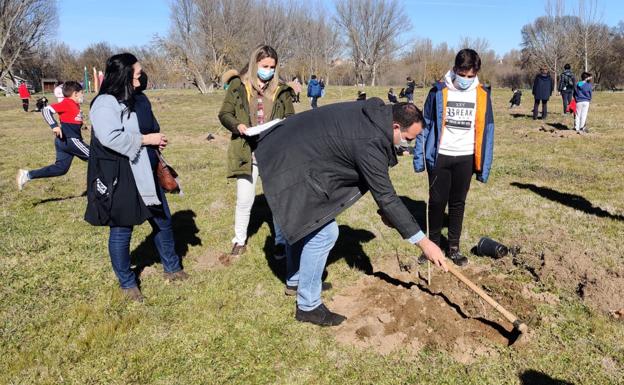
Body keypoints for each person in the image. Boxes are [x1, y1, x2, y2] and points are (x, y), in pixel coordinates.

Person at [255, 100, 448, 326]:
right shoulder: (370, 140)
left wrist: (388, 212)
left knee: (305, 222)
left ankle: (297, 281)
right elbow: (387, 196)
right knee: (323, 232)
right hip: (290, 161)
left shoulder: (375, 115)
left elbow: (379, 190)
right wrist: (425, 243)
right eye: (409, 138)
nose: (409, 144)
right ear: (395, 127)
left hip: (298, 152)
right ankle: (308, 306)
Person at [85, 53, 188, 302]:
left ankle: (172, 268)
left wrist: (156, 139)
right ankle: (127, 283)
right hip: (121, 174)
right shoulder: (104, 103)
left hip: (146, 169)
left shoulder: (136, 99)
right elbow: (110, 137)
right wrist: (145, 140)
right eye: (137, 74)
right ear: (124, 75)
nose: (141, 77)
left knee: (162, 220)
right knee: (122, 230)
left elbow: (147, 125)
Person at [413, 49, 495, 267]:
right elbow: (426, 124)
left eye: (471, 76)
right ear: (455, 69)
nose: (467, 79)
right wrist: (420, 159)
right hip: (441, 157)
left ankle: (454, 247)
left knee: (458, 203)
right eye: (463, 74)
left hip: (465, 157)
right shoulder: (438, 91)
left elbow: (488, 130)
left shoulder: (482, 94)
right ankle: (433, 245)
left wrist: (484, 164)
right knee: (437, 202)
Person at [218, 45, 295, 259]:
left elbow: (291, 116)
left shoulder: (282, 90)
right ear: (254, 65)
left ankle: (280, 241)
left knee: (277, 200)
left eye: (272, 67)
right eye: (264, 66)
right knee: (244, 200)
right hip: (246, 152)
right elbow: (224, 113)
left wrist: (286, 123)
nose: (268, 70)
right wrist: (237, 126)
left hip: (273, 153)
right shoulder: (238, 85)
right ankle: (239, 240)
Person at [16, 81, 90, 191]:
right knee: (97, 156)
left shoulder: (75, 105)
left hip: (63, 142)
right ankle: (109, 184)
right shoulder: (67, 103)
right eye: (82, 93)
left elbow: (71, 118)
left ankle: (27, 175)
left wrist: (82, 124)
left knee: (61, 169)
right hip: (71, 140)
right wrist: (54, 126)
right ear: (75, 93)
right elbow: (46, 110)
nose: (83, 95)